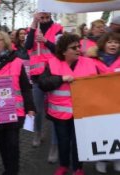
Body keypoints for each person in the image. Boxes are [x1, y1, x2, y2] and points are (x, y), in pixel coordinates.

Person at [38, 33, 99, 175]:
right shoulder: (52, 63)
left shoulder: (89, 63)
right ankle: (64, 165)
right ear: (64, 51)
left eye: (78, 46)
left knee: (78, 142)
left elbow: (98, 86)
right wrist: (62, 79)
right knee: (63, 142)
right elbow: (43, 83)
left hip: (82, 112)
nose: (78, 49)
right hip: (59, 114)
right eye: (74, 47)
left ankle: (78, 168)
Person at [0, 31, 35, 175]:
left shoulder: (18, 62)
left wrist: (30, 107)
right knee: (2, 146)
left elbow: (25, 88)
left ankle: (13, 171)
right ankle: (7, 169)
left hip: (14, 112)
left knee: (12, 145)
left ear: (5, 43)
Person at [25, 12, 62, 163]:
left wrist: (46, 41)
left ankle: (54, 145)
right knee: (37, 109)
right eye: (42, 18)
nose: (45, 20)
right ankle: (37, 133)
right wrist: (34, 25)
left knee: (55, 112)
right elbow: (27, 46)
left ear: (51, 17)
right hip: (37, 76)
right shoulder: (32, 29)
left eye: (47, 18)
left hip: (53, 75)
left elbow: (59, 50)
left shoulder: (58, 28)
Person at [86, 32, 120, 173]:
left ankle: (117, 158)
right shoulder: (92, 60)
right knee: (102, 132)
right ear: (103, 44)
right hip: (99, 102)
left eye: (116, 42)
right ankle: (102, 158)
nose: (113, 45)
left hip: (118, 102)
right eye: (110, 42)